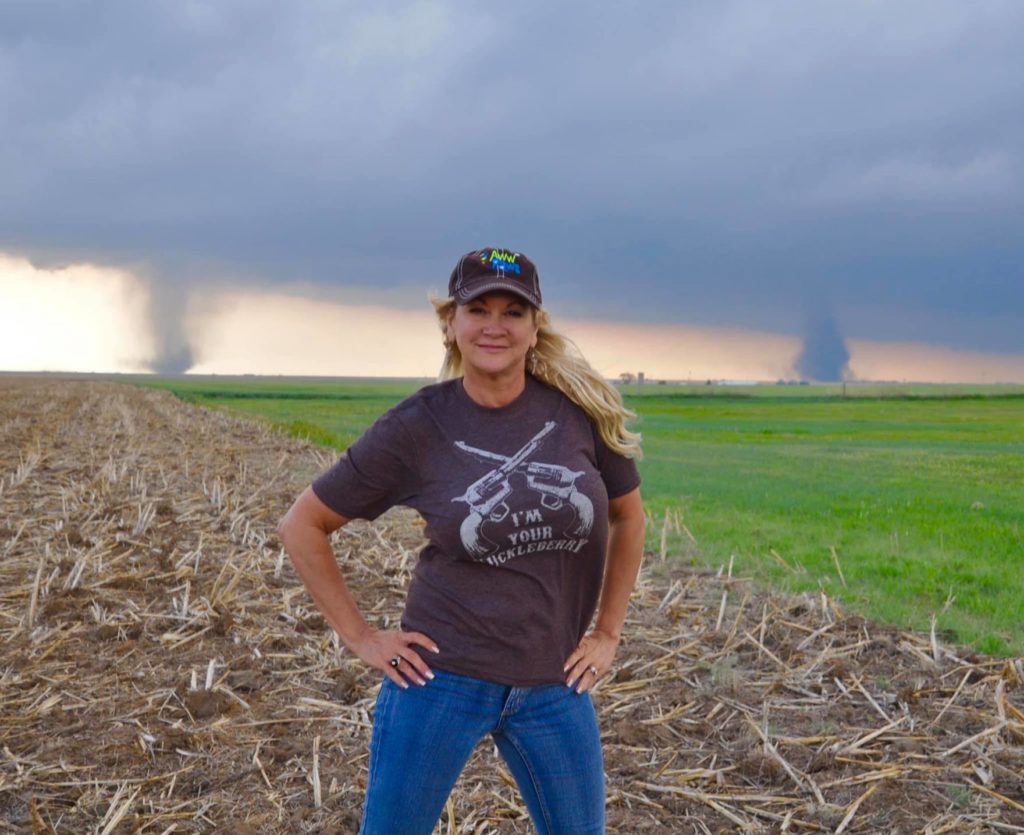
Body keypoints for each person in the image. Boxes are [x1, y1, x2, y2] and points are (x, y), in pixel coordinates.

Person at [277, 247, 646, 834]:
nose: (494, 325)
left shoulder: (578, 415)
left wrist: (606, 632)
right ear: (450, 324)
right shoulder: (416, 427)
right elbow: (303, 525)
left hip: (554, 682)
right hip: (440, 680)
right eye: (478, 308)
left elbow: (630, 516)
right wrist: (362, 637)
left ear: (533, 329)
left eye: (513, 311)